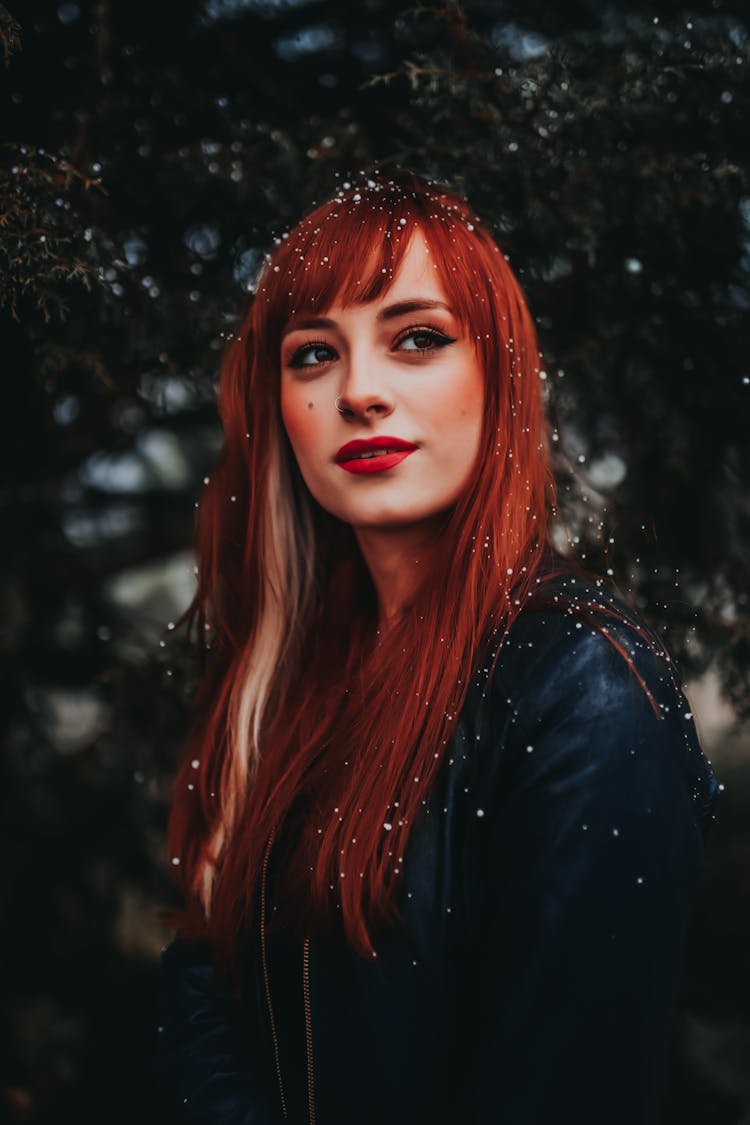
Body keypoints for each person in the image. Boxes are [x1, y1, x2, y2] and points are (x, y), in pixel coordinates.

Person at [153, 169, 721, 1124]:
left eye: (417, 338)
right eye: (312, 355)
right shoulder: (290, 678)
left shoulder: (580, 684)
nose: (360, 392)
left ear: (496, 375)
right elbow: (196, 1007)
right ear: (279, 407)